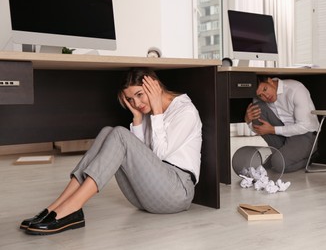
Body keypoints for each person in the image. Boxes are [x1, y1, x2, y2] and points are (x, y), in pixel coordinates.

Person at [20, 68, 202, 235]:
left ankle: (73, 208)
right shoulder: (145, 113)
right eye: (130, 99)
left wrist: (156, 111)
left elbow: (159, 156)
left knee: (120, 134)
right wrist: (138, 119)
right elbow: (143, 160)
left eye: (139, 95)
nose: (136, 103)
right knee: (108, 132)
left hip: (177, 192)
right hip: (146, 196)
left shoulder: (185, 111)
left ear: (154, 85)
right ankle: (56, 206)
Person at [244, 76, 319, 173]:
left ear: (270, 81)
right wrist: (248, 120)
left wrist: (273, 130)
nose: (266, 96)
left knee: (278, 165)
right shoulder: (260, 99)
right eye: (260, 95)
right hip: (284, 133)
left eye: (265, 89)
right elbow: (260, 128)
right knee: (257, 108)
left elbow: (304, 126)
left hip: (305, 134)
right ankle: (279, 158)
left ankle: (310, 157)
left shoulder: (295, 90)